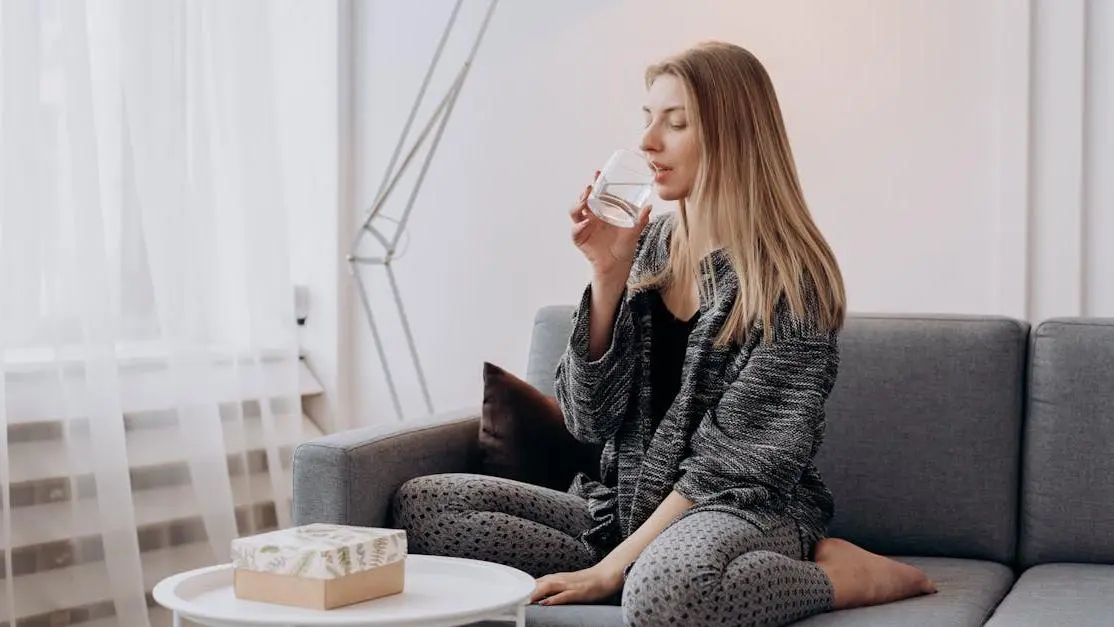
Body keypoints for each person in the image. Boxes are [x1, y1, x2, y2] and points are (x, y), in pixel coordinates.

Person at [392, 41, 936, 626]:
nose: (648, 142)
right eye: (647, 119)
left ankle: (841, 579)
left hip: (741, 510)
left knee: (669, 594)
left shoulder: (789, 280)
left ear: (733, 136)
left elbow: (733, 469)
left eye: (675, 123)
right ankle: (639, 564)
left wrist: (612, 570)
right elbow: (588, 422)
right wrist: (607, 276)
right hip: (625, 511)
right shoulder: (648, 244)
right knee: (426, 507)